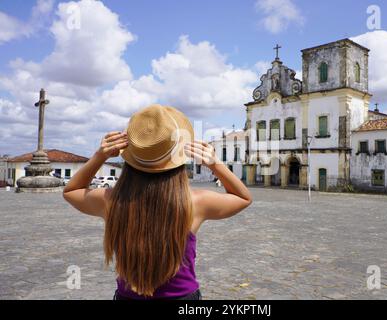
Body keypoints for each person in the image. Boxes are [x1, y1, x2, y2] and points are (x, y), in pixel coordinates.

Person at [63, 104, 252, 300]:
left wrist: (99, 156)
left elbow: (72, 191)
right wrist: (215, 163)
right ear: (178, 155)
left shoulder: (111, 200)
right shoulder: (195, 202)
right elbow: (243, 197)